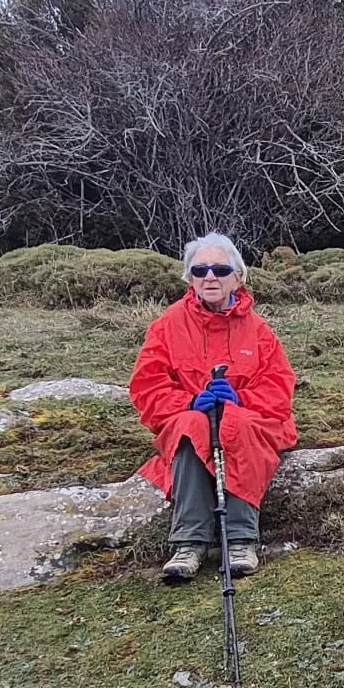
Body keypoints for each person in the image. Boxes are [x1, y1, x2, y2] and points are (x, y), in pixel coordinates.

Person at [128, 232, 298, 581]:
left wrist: (243, 400)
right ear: (189, 278)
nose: (210, 277)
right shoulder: (167, 326)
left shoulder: (260, 330)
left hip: (252, 419)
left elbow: (279, 387)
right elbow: (147, 387)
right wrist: (189, 402)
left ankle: (240, 538)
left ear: (238, 276)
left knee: (235, 422)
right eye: (200, 270)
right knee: (191, 426)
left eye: (220, 270)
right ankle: (189, 542)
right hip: (190, 416)